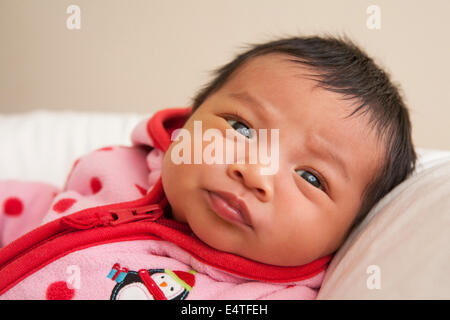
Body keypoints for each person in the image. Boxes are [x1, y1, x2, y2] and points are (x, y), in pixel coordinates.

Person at [0, 35, 416, 300]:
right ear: (188, 122)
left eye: (310, 177)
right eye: (242, 128)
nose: (254, 172)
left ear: (349, 232)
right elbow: (35, 212)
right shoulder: (118, 170)